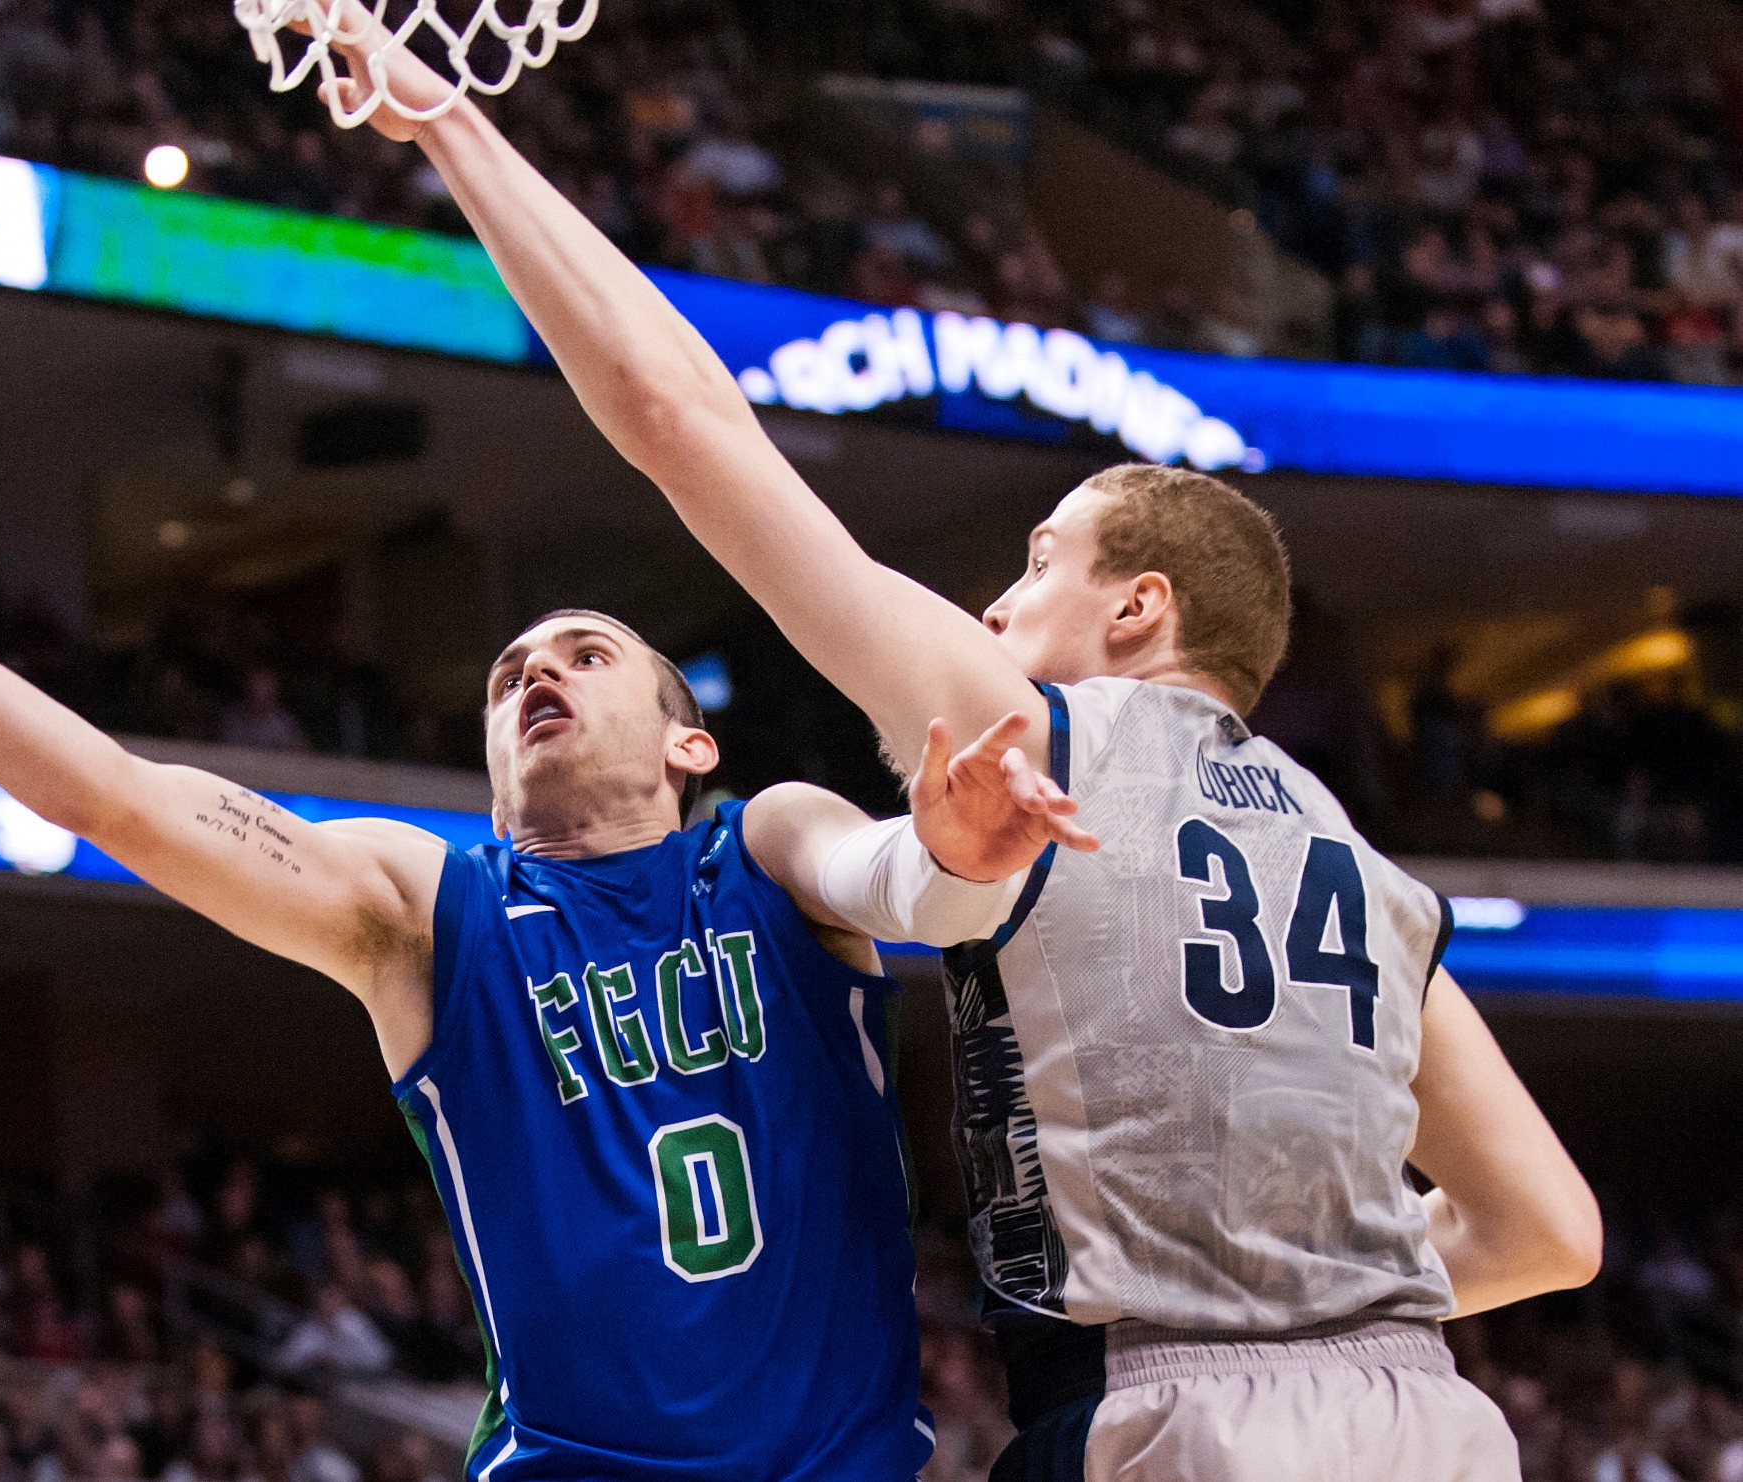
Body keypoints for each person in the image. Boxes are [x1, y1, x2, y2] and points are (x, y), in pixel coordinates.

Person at [313, 28, 1602, 1481]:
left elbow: (678, 420)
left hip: (1172, 1414)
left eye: (1037, 561)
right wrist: (1315, 1310)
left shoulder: (1033, 734)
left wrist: (451, 130)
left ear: (1138, 606)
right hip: (1429, 1416)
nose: (994, 603)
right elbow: (1548, 1232)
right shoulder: (1365, 870)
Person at [0, 360, 1092, 1481]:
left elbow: (884, 879)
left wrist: (943, 855)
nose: (536, 673)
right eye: (507, 671)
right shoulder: (429, 909)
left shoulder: (764, 845)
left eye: (586, 655)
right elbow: (119, 797)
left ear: (686, 743)